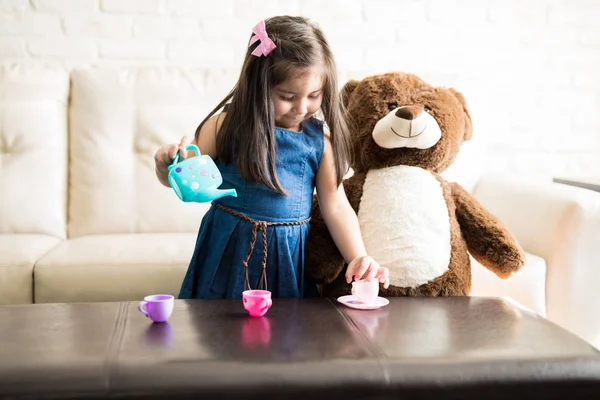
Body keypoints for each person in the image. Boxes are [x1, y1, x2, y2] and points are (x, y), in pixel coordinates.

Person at [154, 16, 390, 299]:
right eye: (288, 96)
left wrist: (358, 257)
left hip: (286, 259)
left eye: (314, 95)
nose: (302, 107)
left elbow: (336, 206)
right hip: (227, 250)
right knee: (214, 329)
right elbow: (183, 179)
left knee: (284, 335)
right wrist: (165, 163)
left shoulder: (320, 144)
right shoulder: (224, 128)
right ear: (258, 86)